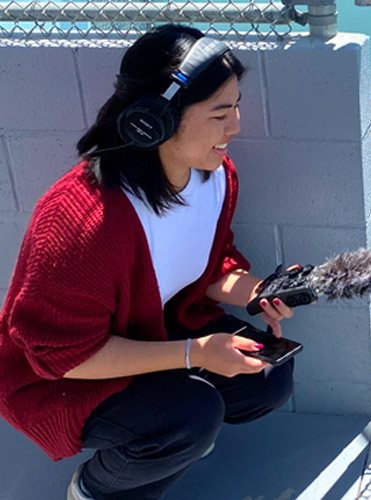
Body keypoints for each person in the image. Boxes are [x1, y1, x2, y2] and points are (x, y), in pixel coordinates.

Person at [0, 24, 295, 500]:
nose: (237, 126)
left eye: (237, 106)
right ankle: (97, 488)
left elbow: (210, 260)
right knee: (190, 416)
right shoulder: (83, 221)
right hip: (62, 375)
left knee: (268, 373)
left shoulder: (216, 176)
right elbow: (59, 356)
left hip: (147, 332)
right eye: (221, 113)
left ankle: (174, 433)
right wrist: (194, 354)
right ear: (156, 118)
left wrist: (258, 292)